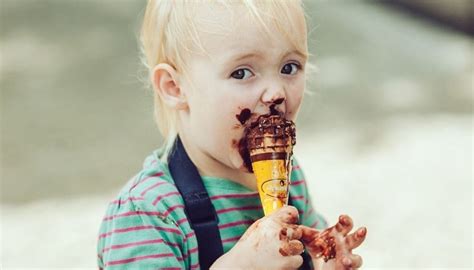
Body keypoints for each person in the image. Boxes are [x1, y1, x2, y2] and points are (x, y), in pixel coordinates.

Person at [97, 0, 367, 269]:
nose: (276, 92)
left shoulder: (290, 179)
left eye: (289, 67)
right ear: (175, 87)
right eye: (241, 72)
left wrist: (325, 263)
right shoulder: (150, 213)